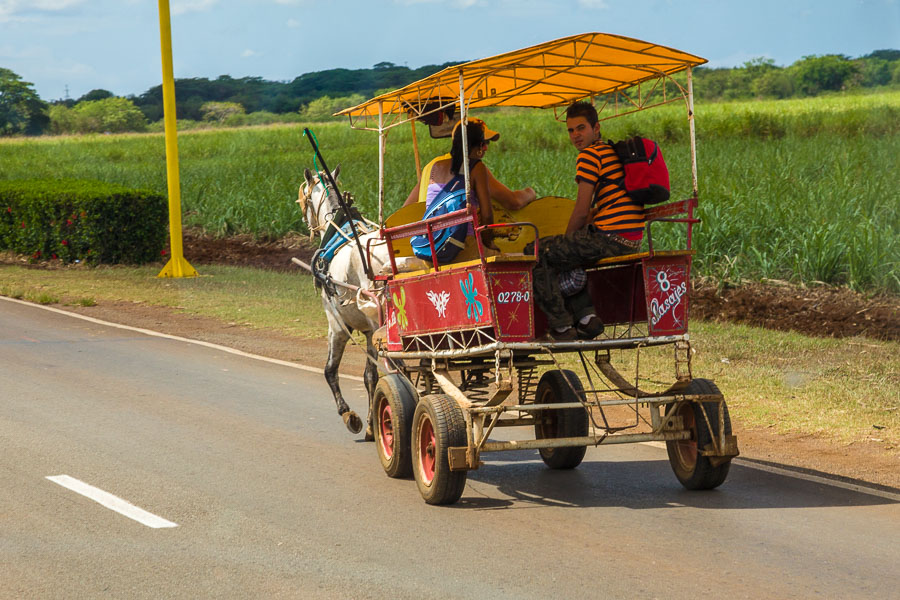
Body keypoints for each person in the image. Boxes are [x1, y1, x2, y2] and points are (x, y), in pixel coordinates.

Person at [526, 100, 645, 340]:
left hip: (610, 238)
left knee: (537, 251)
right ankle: (587, 320)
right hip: (632, 238)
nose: (575, 135)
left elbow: (581, 210)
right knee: (567, 252)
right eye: (570, 130)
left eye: (581, 128)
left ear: (596, 127)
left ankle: (560, 325)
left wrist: (565, 238)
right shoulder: (610, 151)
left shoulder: (589, 156)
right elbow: (596, 207)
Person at [403, 117, 537, 211]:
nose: (485, 148)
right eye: (483, 143)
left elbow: (406, 209)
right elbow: (513, 202)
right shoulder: (474, 169)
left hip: (431, 240)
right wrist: (530, 192)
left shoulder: (433, 166)